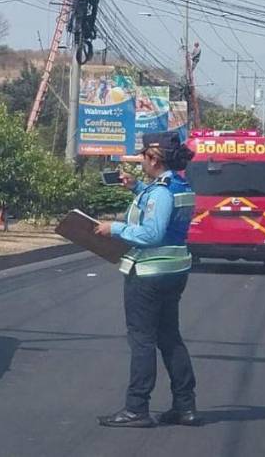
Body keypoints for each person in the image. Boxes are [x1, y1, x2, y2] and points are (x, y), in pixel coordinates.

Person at [94, 131, 200, 428]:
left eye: (143, 156)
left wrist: (114, 228)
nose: (140, 160)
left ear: (154, 159)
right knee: (170, 337)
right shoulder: (178, 186)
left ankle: (136, 408)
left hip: (149, 274)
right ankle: (185, 405)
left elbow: (152, 233)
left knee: (142, 341)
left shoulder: (160, 193)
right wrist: (137, 187)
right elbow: (164, 213)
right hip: (174, 272)